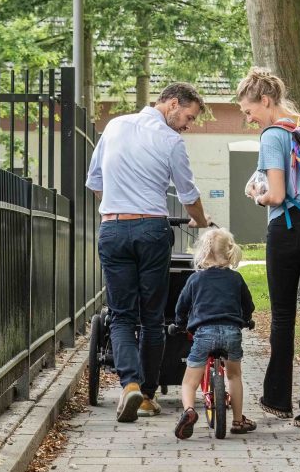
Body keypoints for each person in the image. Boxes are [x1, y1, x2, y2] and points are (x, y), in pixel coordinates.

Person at [86, 82, 210, 423]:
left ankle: (130, 385)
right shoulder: (171, 141)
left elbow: (95, 183)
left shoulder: (114, 126)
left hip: (112, 227)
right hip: (152, 230)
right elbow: (188, 194)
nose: (188, 125)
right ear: (171, 103)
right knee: (153, 317)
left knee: (121, 314)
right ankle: (148, 394)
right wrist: (200, 221)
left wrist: (119, 206)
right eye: (188, 116)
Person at [237, 67, 300, 429]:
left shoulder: (273, 136)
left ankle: (278, 400)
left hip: (288, 227)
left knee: (282, 315)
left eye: (250, 111)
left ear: (265, 101)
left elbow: (277, 194)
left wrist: (257, 196)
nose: (249, 119)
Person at [173, 227, 256, 440]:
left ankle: (189, 411)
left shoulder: (195, 280)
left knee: (189, 381)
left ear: (202, 253)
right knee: (234, 375)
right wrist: (246, 320)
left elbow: (181, 307)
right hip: (231, 333)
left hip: (204, 333)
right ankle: (238, 421)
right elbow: (248, 305)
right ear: (230, 253)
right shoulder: (236, 278)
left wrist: (180, 324)